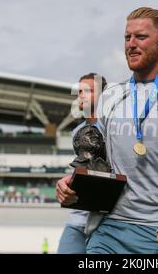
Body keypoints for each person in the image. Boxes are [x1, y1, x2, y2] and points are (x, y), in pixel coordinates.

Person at [57, 7, 158, 254]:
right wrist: (75, 183)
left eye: (140, 37)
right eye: (127, 37)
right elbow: (101, 162)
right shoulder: (111, 97)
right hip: (109, 230)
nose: (131, 44)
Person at [56, 72, 107, 254]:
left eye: (89, 91)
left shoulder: (113, 129)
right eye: (79, 92)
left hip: (106, 221)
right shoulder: (76, 131)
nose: (82, 96)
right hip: (78, 219)